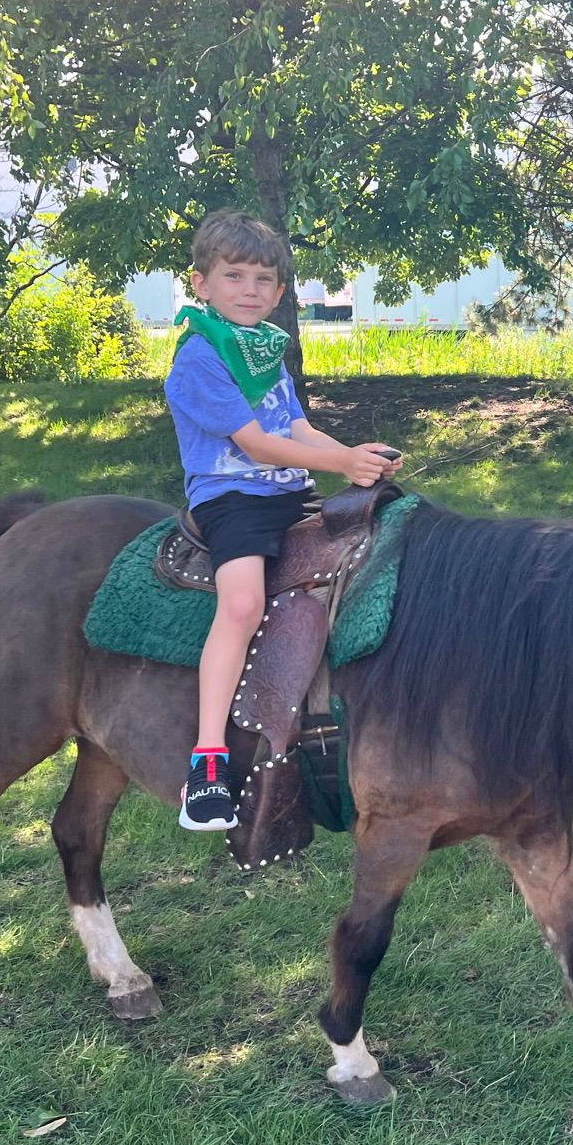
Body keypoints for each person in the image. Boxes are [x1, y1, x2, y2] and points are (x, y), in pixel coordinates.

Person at [164, 210, 401, 831]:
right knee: (242, 605)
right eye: (234, 275)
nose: (250, 290)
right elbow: (257, 445)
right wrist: (341, 462)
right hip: (232, 499)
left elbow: (296, 429)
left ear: (279, 293)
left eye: (263, 279)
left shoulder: (264, 350)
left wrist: (354, 458)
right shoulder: (201, 356)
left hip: (289, 491)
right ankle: (208, 759)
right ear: (202, 284)